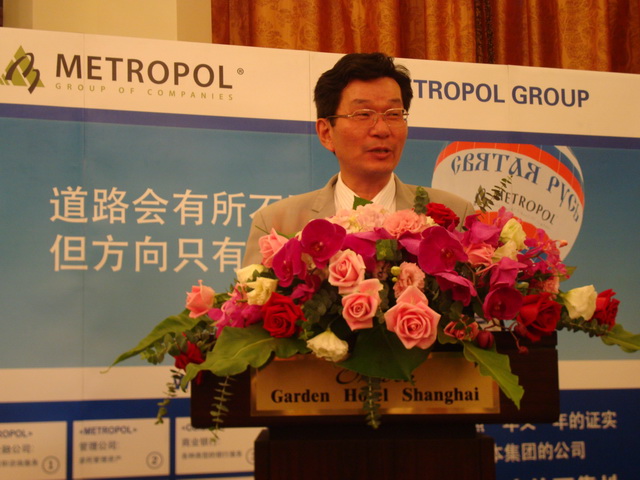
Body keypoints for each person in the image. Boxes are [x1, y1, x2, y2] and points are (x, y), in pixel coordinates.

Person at [243, 52, 474, 266]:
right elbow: (253, 297)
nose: (381, 129)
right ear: (326, 133)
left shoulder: (454, 214)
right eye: (363, 114)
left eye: (394, 114)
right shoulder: (277, 224)